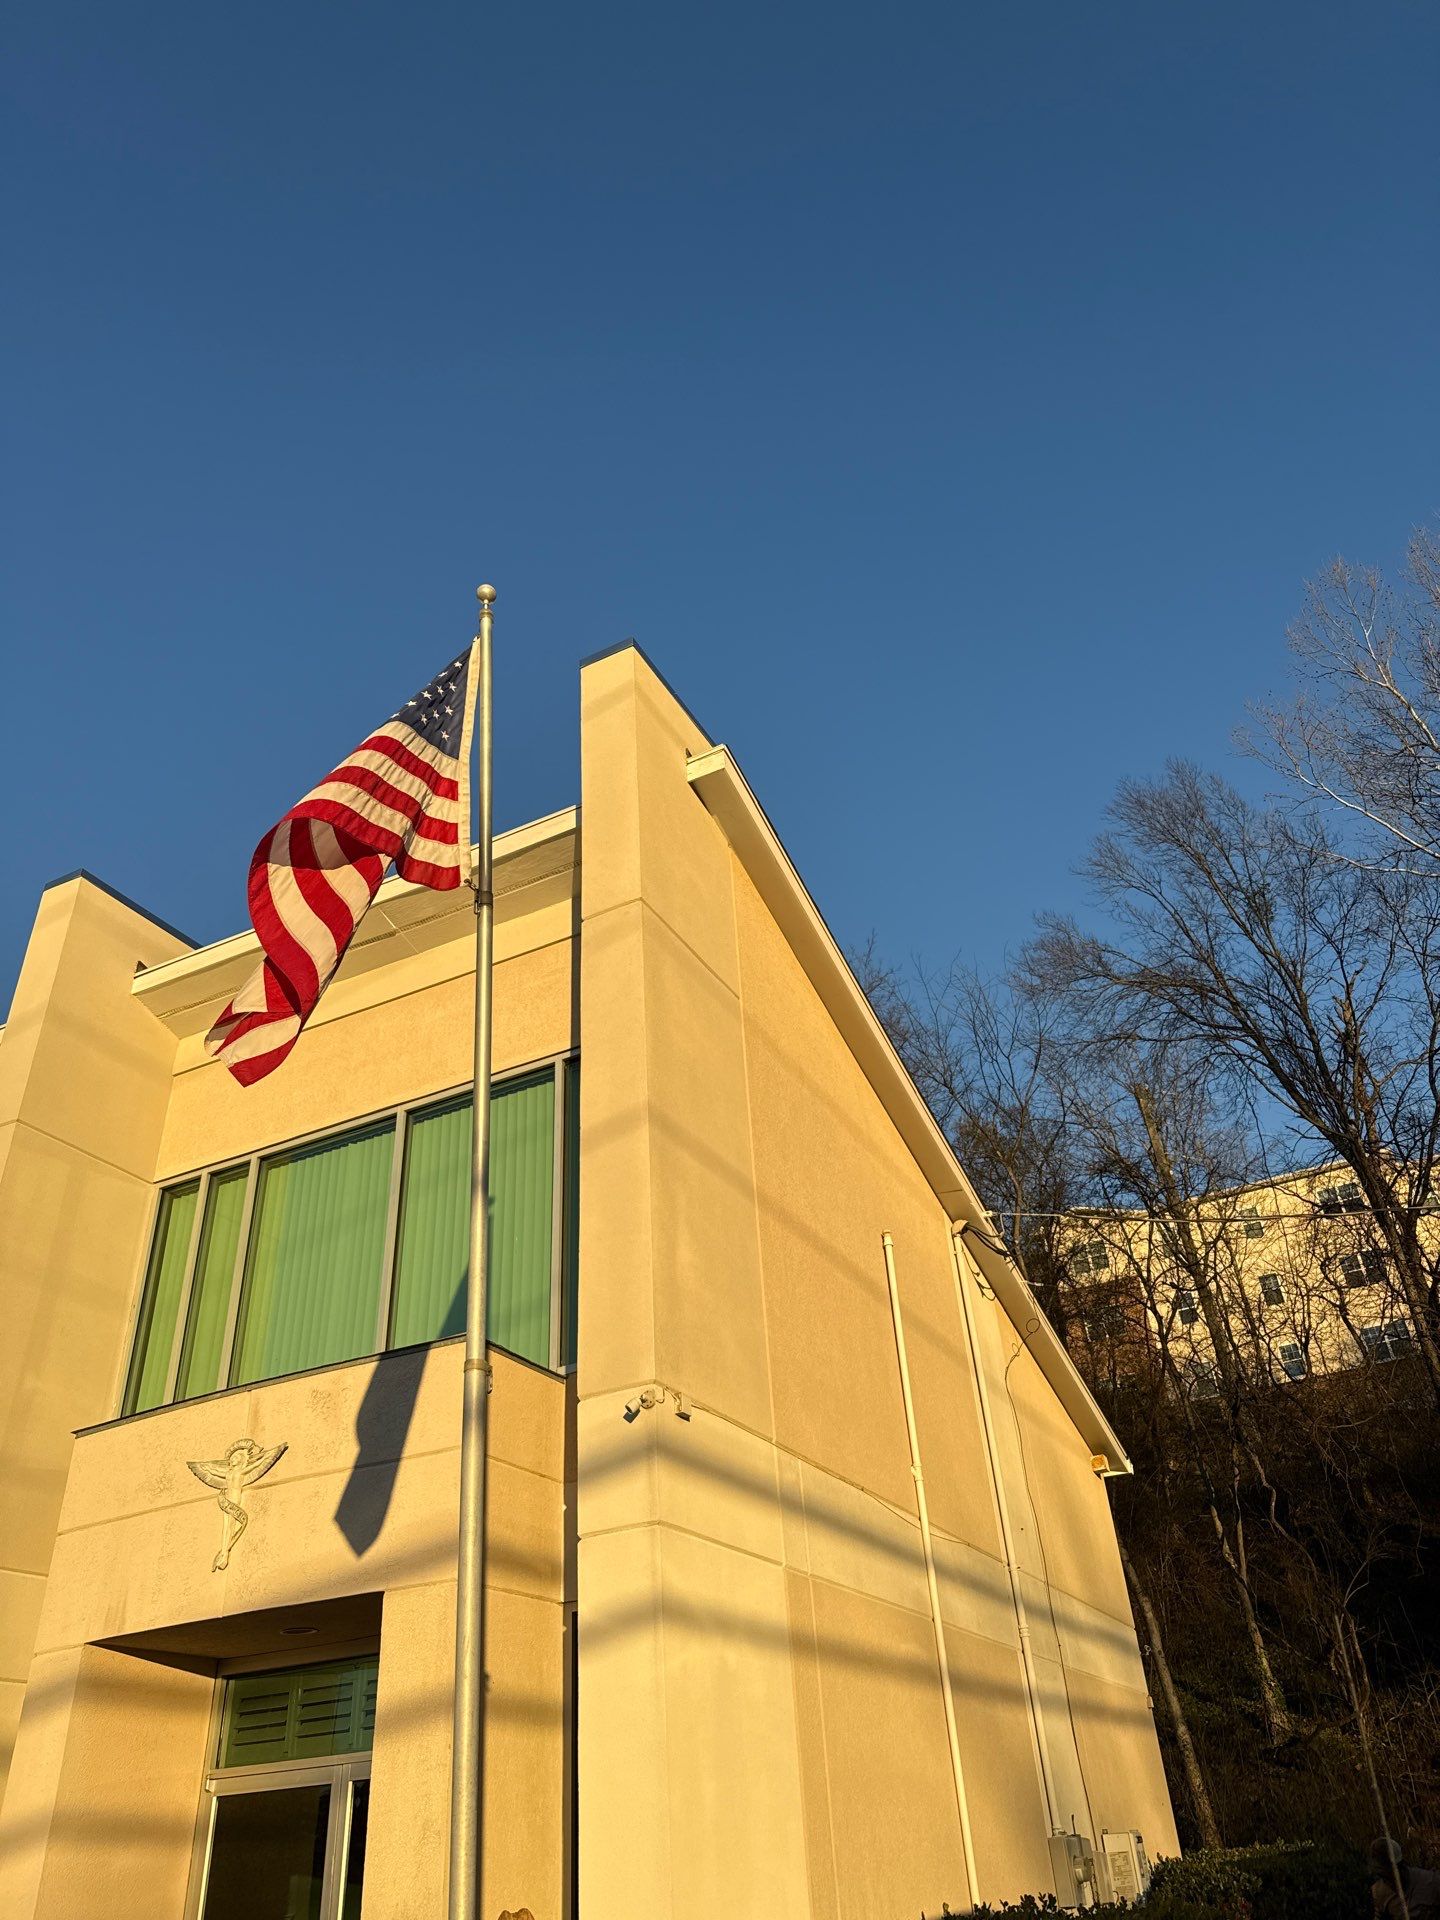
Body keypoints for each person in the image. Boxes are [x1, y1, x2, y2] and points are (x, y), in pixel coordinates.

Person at [1371, 1838, 1440, 1920]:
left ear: (1400, 1866)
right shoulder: (1378, 1892)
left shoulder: (1431, 1881)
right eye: (1381, 1875)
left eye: (1388, 1874)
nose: (1386, 1881)